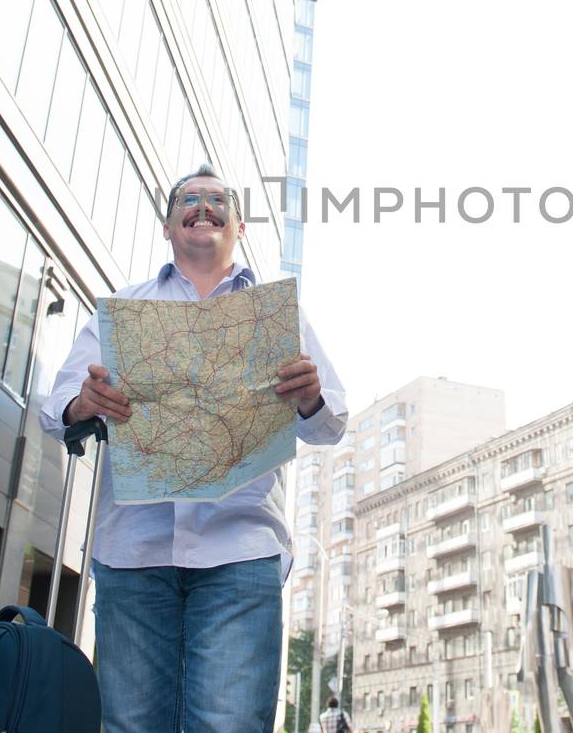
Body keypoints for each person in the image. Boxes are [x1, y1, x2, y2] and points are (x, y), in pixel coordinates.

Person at [41, 165, 347, 733]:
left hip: (240, 549)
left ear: (240, 224)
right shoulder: (123, 312)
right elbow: (52, 410)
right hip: (134, 552)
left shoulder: (278, 316)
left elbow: (331, 425)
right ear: (167, 224)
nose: (202, 206)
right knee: (131, 726)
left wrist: (310, 398)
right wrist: (83, 403)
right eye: (189, 199)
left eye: (216, 199)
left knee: (229, 725)